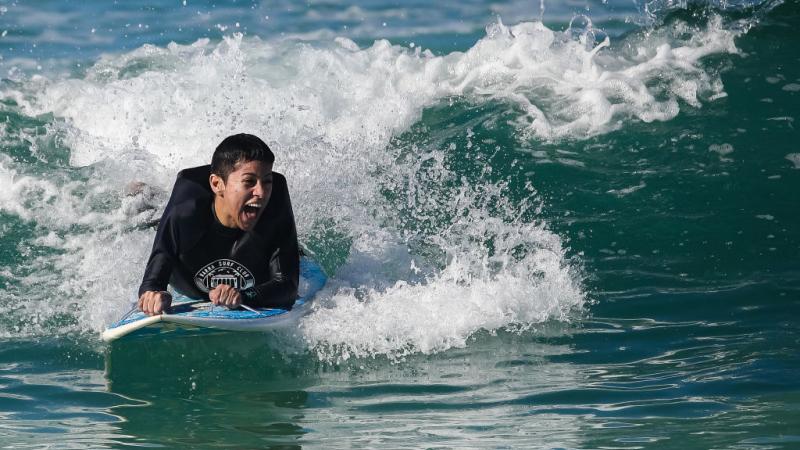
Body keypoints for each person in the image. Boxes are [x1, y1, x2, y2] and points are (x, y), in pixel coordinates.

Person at [137, 133, 299, 316]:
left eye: (267, 182)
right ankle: (144, 195)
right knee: (150, 220)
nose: (261, 192)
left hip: (248, 272)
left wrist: (243, 296)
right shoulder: (184, 213)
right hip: (189, 265)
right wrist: (156, 295)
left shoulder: (274, 207)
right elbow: (152, 283)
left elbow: (288, 287)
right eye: (249, 182)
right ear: (216, 184)